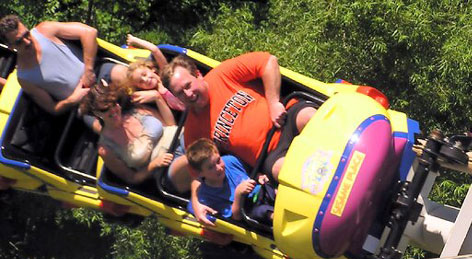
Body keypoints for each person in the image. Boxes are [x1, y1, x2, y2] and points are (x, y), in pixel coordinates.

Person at [161, 52, 316, 181]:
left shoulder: (222, 74)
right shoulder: (193, 131)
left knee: (309, 117)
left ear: (197, 75)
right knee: (283, 171)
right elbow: (199, 172)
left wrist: (274, 102)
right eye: (180, 93)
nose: (188, 94)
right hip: (268, 155)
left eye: (188, 85)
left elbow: (268, 61)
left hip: (285, 118)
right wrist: (196, 200)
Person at [80, 80, 191, 192]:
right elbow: (132, 178)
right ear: (97, 114)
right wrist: (153, 165)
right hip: (167, 167)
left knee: (196, 143)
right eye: (106, 109)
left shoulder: (136, 110)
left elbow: (170, 125)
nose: (113, 110)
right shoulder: (106, 148)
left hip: (180, 138)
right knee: (193, 157)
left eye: (114, 104)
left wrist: (158, 97)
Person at [0, 15, 97, 115]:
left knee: (115, 74)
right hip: (84, 103)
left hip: (97, 71)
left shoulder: (45, 30)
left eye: (26, 34)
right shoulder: (24, 78)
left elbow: (89, 32)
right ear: (11, 47)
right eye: (19, 42)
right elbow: (52, 108)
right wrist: (72, 100)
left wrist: (88, 70)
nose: (27, 41)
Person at [186, 138, 274, 224]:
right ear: (200, 173)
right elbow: (236, 217)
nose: (218, 168)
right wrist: (238, 194)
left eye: (218, 161)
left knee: (274, 190)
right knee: (262, 211)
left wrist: (260, 176)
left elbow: (252, 172)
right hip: (250, 209)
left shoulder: (230, 161)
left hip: (262, 191)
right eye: (210, 167)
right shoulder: (206, 196)